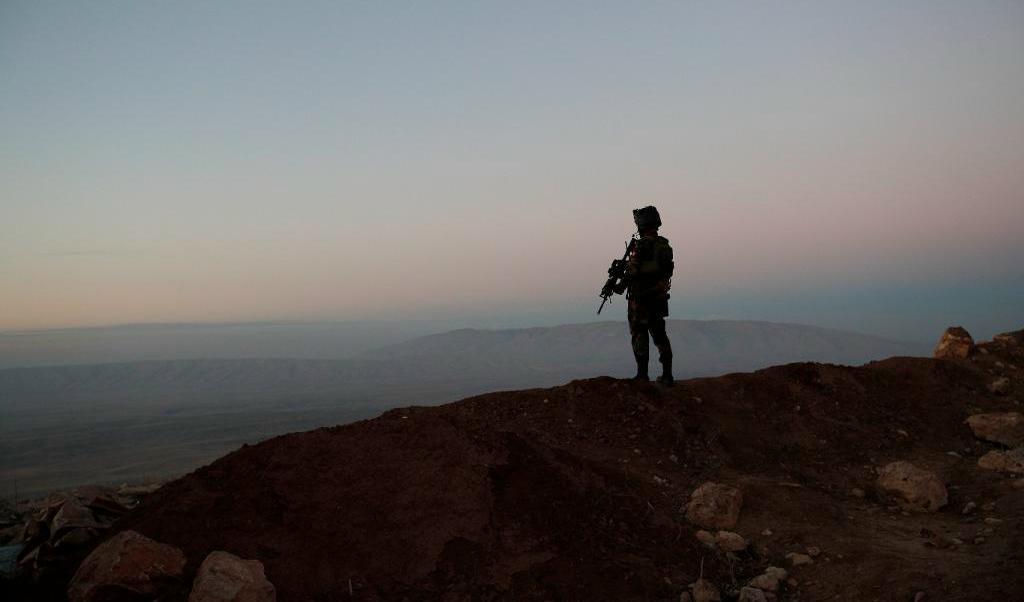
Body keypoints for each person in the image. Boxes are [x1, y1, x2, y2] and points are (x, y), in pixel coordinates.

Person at [616, 206, 674, 384]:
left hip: (640, 299)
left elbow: (632, 271)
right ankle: (667, 375)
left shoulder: (640, 246)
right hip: (658, 297)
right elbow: (667, 272)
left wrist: (620, 285)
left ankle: (642, 375)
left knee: (639, 333)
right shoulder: (664, 246)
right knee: (660, 335)